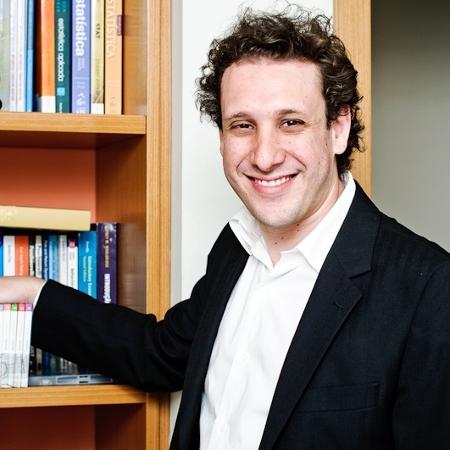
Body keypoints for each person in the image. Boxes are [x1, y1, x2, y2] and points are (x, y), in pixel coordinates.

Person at [1, 6, 450, 449]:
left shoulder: (428, 289)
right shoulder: (236, 247)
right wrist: (29, 291)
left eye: (291, 122)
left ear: (338, 128)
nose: (264, 156)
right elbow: (158, 354)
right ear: (221, 137)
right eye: (243, 125)